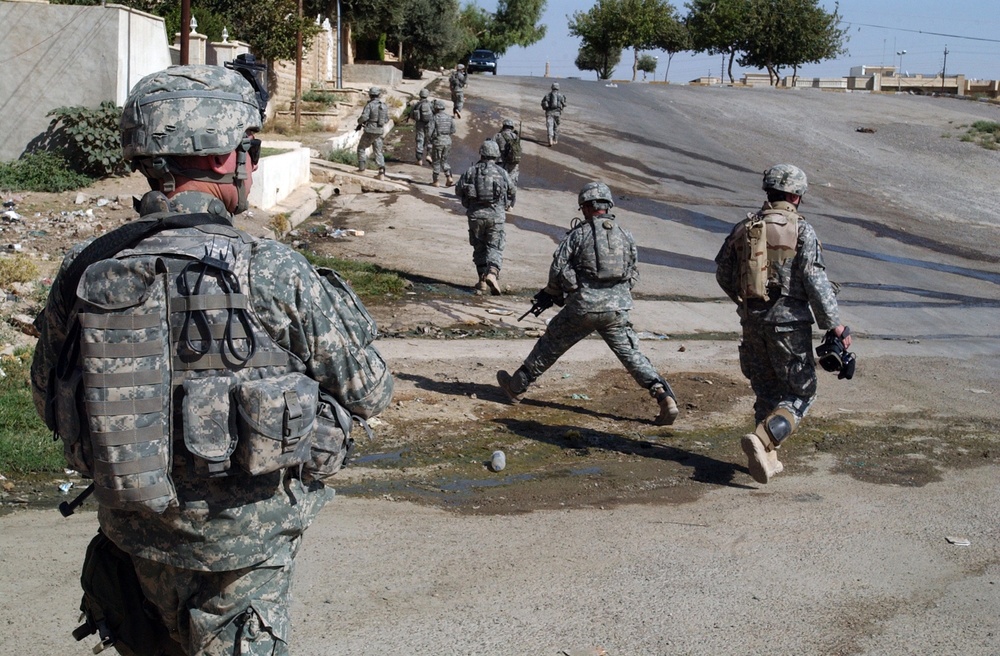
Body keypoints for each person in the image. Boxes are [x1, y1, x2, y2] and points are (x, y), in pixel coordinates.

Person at [30, 64, 394, 655]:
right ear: (228, 158)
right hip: (243, 558)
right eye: (249, 146)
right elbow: (369, 388)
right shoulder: (270, 269)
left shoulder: (86, 269)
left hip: (135, 543)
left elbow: (48, 395)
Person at [714, 163, 853, 484]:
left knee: (767, 393)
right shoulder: (801, 230)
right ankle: (763, 440)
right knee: (802, 393)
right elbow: (815, 279)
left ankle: (768, 459)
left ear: (769, 191)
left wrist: (745, 303)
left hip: (752, 322)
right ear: (796, 195)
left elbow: (722, 273)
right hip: (788, 325)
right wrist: (834, 325)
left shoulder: (743, 227)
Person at [496, 182, 679, 425]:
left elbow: (558, 270)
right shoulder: (625, 235)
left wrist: (556, 293)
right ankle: (663, 395)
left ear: (587, 207)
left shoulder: (578, 234)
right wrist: (615, 295)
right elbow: (633, 273)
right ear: (607, 206)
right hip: (616, 310)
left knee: (551, 344)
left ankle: (516, 387)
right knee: (632, 355)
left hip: (582, 307)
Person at [455, 140, 515, 295]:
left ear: (481, 153)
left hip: (475, 216)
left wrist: (468, 202)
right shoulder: (502, 172)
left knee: (479, 247)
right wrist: (508, 203)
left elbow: (458, 190)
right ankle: (492, 274)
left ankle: (482, 281)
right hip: (496, 217)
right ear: (496, 155)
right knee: (495, 247)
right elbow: (512, 190)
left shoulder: (471, 171)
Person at [356, 86, 389, 179]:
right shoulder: (384, 106)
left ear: (370, 95)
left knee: (361, 148)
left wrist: (359, 122)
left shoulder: (369, 105)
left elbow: (364, 117)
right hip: (379, 131)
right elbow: (386, 119)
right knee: (378, 151)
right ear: (378, 95)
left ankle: (361, 168)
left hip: (369, 130)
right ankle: (381, 172)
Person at [428, 99, 456, 188]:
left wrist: (430, 141)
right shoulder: (449, 117)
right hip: (447, 141)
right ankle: (449, 177)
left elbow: (429, 132)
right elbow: (453, 130)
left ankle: (435, 181)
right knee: (444, 161)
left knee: (436, 161)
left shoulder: (434, 118)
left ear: (436, 108)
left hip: (438, 141)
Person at [407, 88, 434, 166]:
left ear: (420, 95)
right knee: (430, 139)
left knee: (420, 140)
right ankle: (428, 155)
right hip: (429, 124)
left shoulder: (416, 104)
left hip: (419, 124)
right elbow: (434, 113)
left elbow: (412, 115)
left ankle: (419, 159)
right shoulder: (430, 104)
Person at [492, 118, 521, 187]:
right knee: (512, 180)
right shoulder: (515, 137)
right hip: (513, 161)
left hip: (501, 161)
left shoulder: (498, 135)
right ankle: (511, 194)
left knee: (500, 180)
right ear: (512, 127)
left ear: (503, 126)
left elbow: (492, 148)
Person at [541, 82, 567, 146]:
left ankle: (550, 140)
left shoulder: (548, 95)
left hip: (549, 113)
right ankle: (555, 140)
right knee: (556, 127)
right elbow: (564, 104)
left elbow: (543, 103)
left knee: (550, 126)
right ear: (558, 88)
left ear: (552, 87)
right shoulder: (561, 96)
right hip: (557, 113)